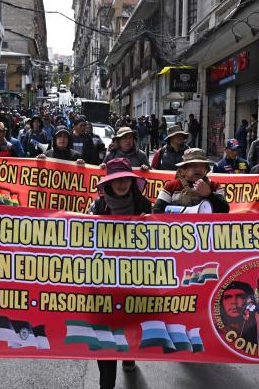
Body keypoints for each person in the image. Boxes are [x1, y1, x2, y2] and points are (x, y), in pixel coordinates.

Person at [90, 158, 150, 388]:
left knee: (130, 323)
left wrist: (151, 223)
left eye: (126, 179)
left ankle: (129, 354)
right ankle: (106, 383)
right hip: (104, 278)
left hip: (136, 277)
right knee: (104, 329)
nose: (122, 184)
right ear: (109, 184)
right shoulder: (98, 206)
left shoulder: (144, 205)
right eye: (117, 180)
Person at [153, 148, 229, 213]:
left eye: (202, 165)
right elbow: (157, 209)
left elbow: (225, 210)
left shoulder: (215, 186)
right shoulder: (171, 186)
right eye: (193, 165)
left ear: (206, 169)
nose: (198, 169)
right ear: (183, 170)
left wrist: (209, 195)